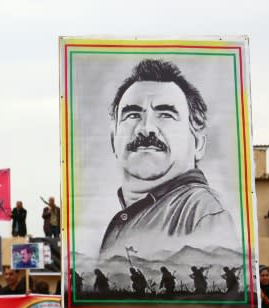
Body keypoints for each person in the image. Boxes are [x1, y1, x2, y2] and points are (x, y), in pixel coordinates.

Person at [99, 59, 239, 261]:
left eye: (165, 114)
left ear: (198, 143)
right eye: (132, 115)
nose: (146, 128)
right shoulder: (131, 217)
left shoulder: (203, 213)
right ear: (113, 141)